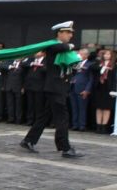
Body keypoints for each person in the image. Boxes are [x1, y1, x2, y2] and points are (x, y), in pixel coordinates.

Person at [20, 21, 81, 158]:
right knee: (62, 118)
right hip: (56, 88)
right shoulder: (53, 45)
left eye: (71, 33)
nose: (71, 35)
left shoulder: (59, 47)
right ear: (60, 33)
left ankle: (29, 140)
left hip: (57, 87)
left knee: (45, 116)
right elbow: (65, 47)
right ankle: (65, 148)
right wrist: (71, 46)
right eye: (68, 32)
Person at [69, 48, 94, 131]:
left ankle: (82, 125)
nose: (78, 55)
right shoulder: (75, 64)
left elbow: (91, 79)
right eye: (78, 53)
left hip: (82, 88)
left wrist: (87, 90)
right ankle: (75, 124)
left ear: (86, 55)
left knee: (82, 108)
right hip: (73, 87)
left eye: (81, 54)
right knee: (74, 107)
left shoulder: (90, 64)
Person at [92, 48, 115, 134]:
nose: (106, 56)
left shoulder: (113, 65)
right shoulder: (99, 63)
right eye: (105, 54)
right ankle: (98, 126)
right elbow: (92, 67)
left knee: (106, 108)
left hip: (108, 88)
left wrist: (113, 89)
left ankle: (104, 126)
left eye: (108, 54)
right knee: (99, 107)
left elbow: (114, 79)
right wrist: (102, 67)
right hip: (99, 87)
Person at [22, 51, 46, 126]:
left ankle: (38, 121)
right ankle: (30, 120)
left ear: (43, 53)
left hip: (39, 86)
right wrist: (32, 63)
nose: (35, 53)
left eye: (38, 52)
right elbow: (23, 64)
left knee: (38, 105)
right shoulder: (31, 59)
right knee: (30, 104)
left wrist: (40, 65)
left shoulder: (46, 60)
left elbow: (46, 69)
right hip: (29, 85)